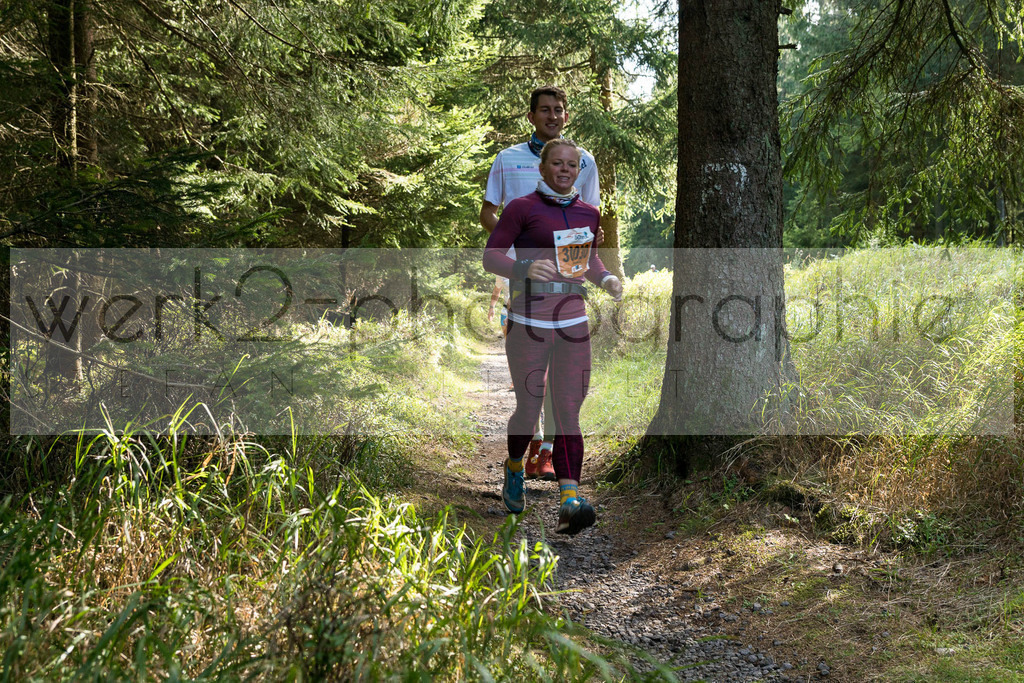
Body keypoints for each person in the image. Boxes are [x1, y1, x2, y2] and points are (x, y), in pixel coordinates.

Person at [483, 138, 622, 535]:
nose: (564, 170)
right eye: (557, 163)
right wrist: (524, 267)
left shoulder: (588, 212)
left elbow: (587, 261)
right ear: (542, 168)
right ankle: (513, 468)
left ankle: (569, 501)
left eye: (572, 165)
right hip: (529, 320)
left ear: (580, 170)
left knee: (567, 412)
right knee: (529, 410)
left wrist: (607, 278)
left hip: (573, 320)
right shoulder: (521, 209)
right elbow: (492, 256)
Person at [481, 84, 602, 482]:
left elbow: (587, 219)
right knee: (533, 386)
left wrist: (592, 263)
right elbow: (489, 213)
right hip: (523, 282)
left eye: (559, 110)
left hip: (567, 286)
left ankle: (545, 455)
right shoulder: (507, 159)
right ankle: (522, 453)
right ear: (531, 116)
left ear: (566, 116)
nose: (552, 115)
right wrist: (519, 252)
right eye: (545, 110)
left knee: (564, 390)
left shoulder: (582, 161)